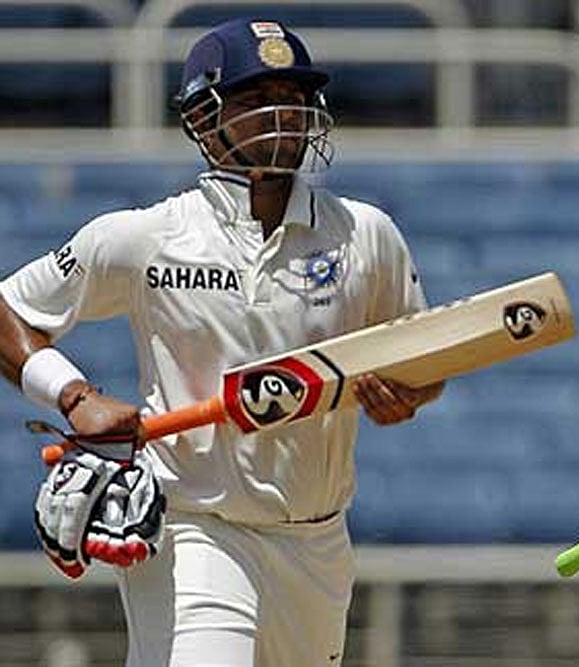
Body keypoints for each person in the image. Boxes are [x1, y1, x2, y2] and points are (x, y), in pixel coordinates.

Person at [0, 18, 443, 666]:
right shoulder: (148, 236)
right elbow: (9, 307)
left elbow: (423, 366)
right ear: (203, 118)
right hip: (194, 525)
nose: (283, 114)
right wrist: (74, 396)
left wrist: (408, 395)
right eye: (257, 98)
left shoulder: (365, 234)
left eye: (294, 98)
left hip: (316, 540)